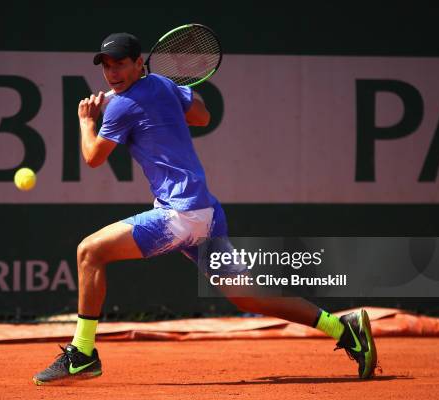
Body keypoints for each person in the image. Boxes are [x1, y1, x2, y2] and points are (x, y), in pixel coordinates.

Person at [33, 32, 377, 384]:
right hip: (204, 214)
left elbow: (92, 157)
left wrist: (86, 119)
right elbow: (202, 115)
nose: (112, 73)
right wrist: (169, 94)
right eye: (106, 66)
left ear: (139, 63)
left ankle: (83, 354)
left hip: (181, 215)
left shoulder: (121, 105)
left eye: (120, 64)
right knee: (248, 296)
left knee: (90, 252)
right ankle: (342, 327)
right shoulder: (163, 85)